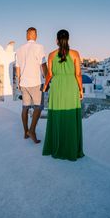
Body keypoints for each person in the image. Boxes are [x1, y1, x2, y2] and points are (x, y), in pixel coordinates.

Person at [42, 29, 84, 160]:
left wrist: (45, 86)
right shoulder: (75, 54)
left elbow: (49, 74)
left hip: (57, 87)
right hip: (71, 86)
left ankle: (57, 147)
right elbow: (78, 74)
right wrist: (80, 89)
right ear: (68, 39)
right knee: (70, 116)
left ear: (56, 40)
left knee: (57, 115)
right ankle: (71, 149)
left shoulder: (51, 55)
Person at [16, 27, 47, 144]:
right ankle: (32, 130)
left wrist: (19, 81)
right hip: (35, 82)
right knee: (38, 108)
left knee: (25, 108)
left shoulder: (19, 50)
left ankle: (25, 131)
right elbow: (43, 65)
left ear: (26, 36)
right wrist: (47, 78)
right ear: (36, 35)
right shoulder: (39, 47)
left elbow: (17, 68)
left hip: (23, 83)